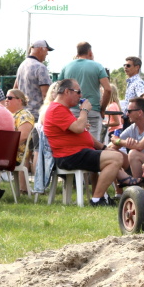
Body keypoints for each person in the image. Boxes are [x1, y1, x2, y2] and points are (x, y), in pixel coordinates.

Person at [43, 78, 123, 207]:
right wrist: (84, 111)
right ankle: (98, 199)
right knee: (116, 158)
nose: (81, 96)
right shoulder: (56, 109)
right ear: (67, 91)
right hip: (70, 156)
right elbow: (79, 128)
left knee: (118, 156)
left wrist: (103, 147)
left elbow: (80, 131)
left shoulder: (62, 108)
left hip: (77, 153)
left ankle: (121, 185)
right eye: (78, 92)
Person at [58, 42, 112, 142]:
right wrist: (102, 109)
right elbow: (108, 89)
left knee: (72, 142)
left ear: (77, 53)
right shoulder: (98, 66)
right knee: (92, 144)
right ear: (90, 52)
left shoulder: (66, 66)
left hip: (70, 111)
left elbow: (58, 88)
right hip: (92, 110)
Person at [108, 97, 144, 185]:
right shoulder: (133, 127)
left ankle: (137, 188)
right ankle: (120, 190)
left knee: (133, 153)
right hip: (140, 164)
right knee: (111, 153)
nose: (127, 114)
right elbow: (111, 147)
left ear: (140, 112)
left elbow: (140, 146)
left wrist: (119, 141)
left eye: (129, 111)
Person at [14, 40, 53, 121]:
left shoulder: (21, 66)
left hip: (22, 115)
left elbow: (15, 89)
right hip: (36, 116)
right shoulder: (41, 67)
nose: (47, 54)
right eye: (46, 50)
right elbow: (45, 95)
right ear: (40, 49)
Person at [5, 89, 35, 193]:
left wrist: (5, 150)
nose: (6, 100)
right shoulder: (10, 114)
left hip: (14, 155)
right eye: (6, 97)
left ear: (19, 100)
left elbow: (23, 136)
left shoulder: (24, 115)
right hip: (8, 154)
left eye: (10, 98)